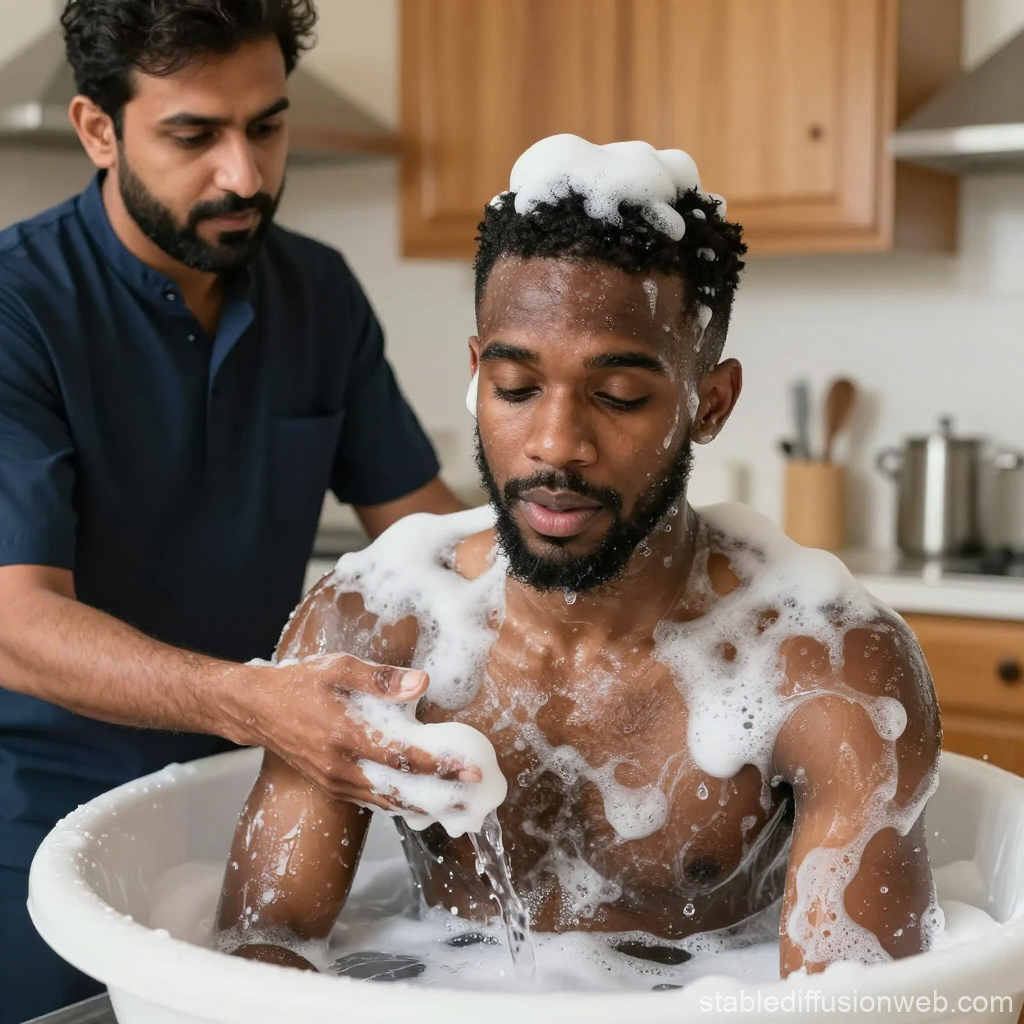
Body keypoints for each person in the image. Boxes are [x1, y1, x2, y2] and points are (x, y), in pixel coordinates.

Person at [215, 136, 942, 980]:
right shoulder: (372, 624)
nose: (555, 445)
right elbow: (259, 962)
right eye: (516, 389)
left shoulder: (827, 668)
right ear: (476, 373)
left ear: (711, 403)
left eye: (619, 396)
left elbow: (854, 1005)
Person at [0, 2, 467, 1020]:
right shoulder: (16, 309)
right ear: (97, 129)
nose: (244, 176)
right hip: (36, 811)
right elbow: (16, 624)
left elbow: (430, 535)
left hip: (250, 794)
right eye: (193, 135)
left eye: (265, 125)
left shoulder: (321, 295)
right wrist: (254, 699)